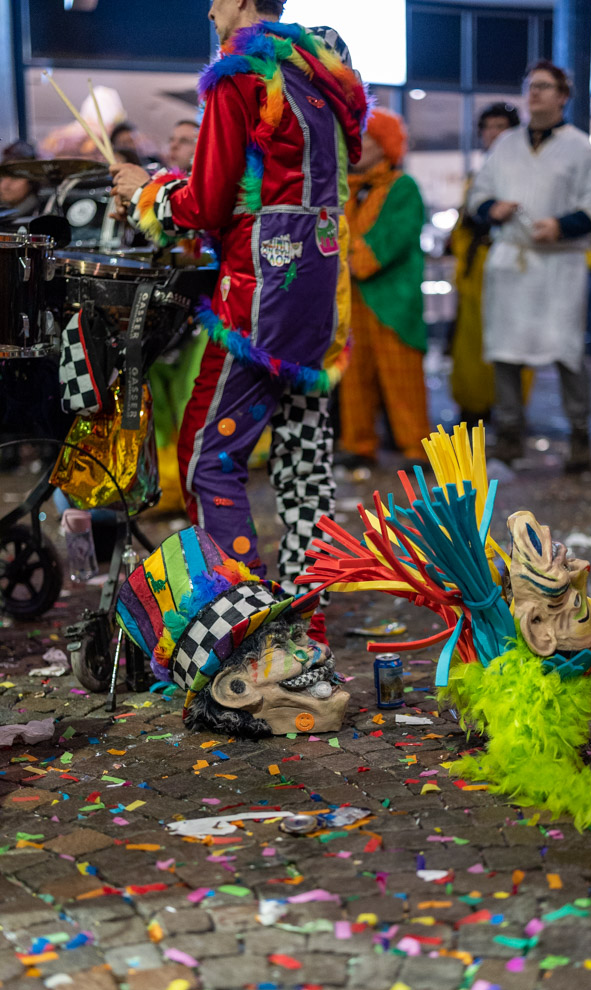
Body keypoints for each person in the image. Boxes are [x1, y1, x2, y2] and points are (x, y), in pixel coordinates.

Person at [110, 0, 367, 608]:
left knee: (206, 458)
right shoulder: (323, 63)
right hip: (325, 281)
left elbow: (203, 204)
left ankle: (246, 621)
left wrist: (146, 190)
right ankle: (307, 608)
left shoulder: (239, 71)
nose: (208, 10)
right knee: (304, 459)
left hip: (265, 286)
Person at [468, 60, 591, 471]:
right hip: (511, 261)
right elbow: (477, 197)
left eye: (545, 87)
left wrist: (562, 225)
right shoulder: (506, 144)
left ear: (563, 96)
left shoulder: (581, 148)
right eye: (531, 86)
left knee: (566, 352)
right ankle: (510, 436)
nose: (535, 93)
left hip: (558, 266)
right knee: (506, 352)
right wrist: (492, 208)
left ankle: (580, 437)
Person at [337, 107, 431, 470]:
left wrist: (349, 258)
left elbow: (391, 238)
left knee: (402, 375)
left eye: (367, 137)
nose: (358, 144)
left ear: (384, 144)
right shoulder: (345, 187)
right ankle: (358, 443)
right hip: (351, 296)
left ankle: (416, 449)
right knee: (354, 373)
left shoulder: (402, 186)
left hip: (393, 297)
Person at [450, 102, 524, 426]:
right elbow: (464, 225)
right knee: (470, 343)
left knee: (513, 342)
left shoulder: (524, 171)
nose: (493, 134)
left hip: (514, 267)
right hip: (476, 269)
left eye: (500, 127)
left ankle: (509, 413)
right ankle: (473, 409)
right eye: (488, 127)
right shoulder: (478, 176)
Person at [0, 141, 42, 226]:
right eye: (2, 177)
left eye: (15, 178)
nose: (4, 186)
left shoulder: (43, 212)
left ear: (32, 181)